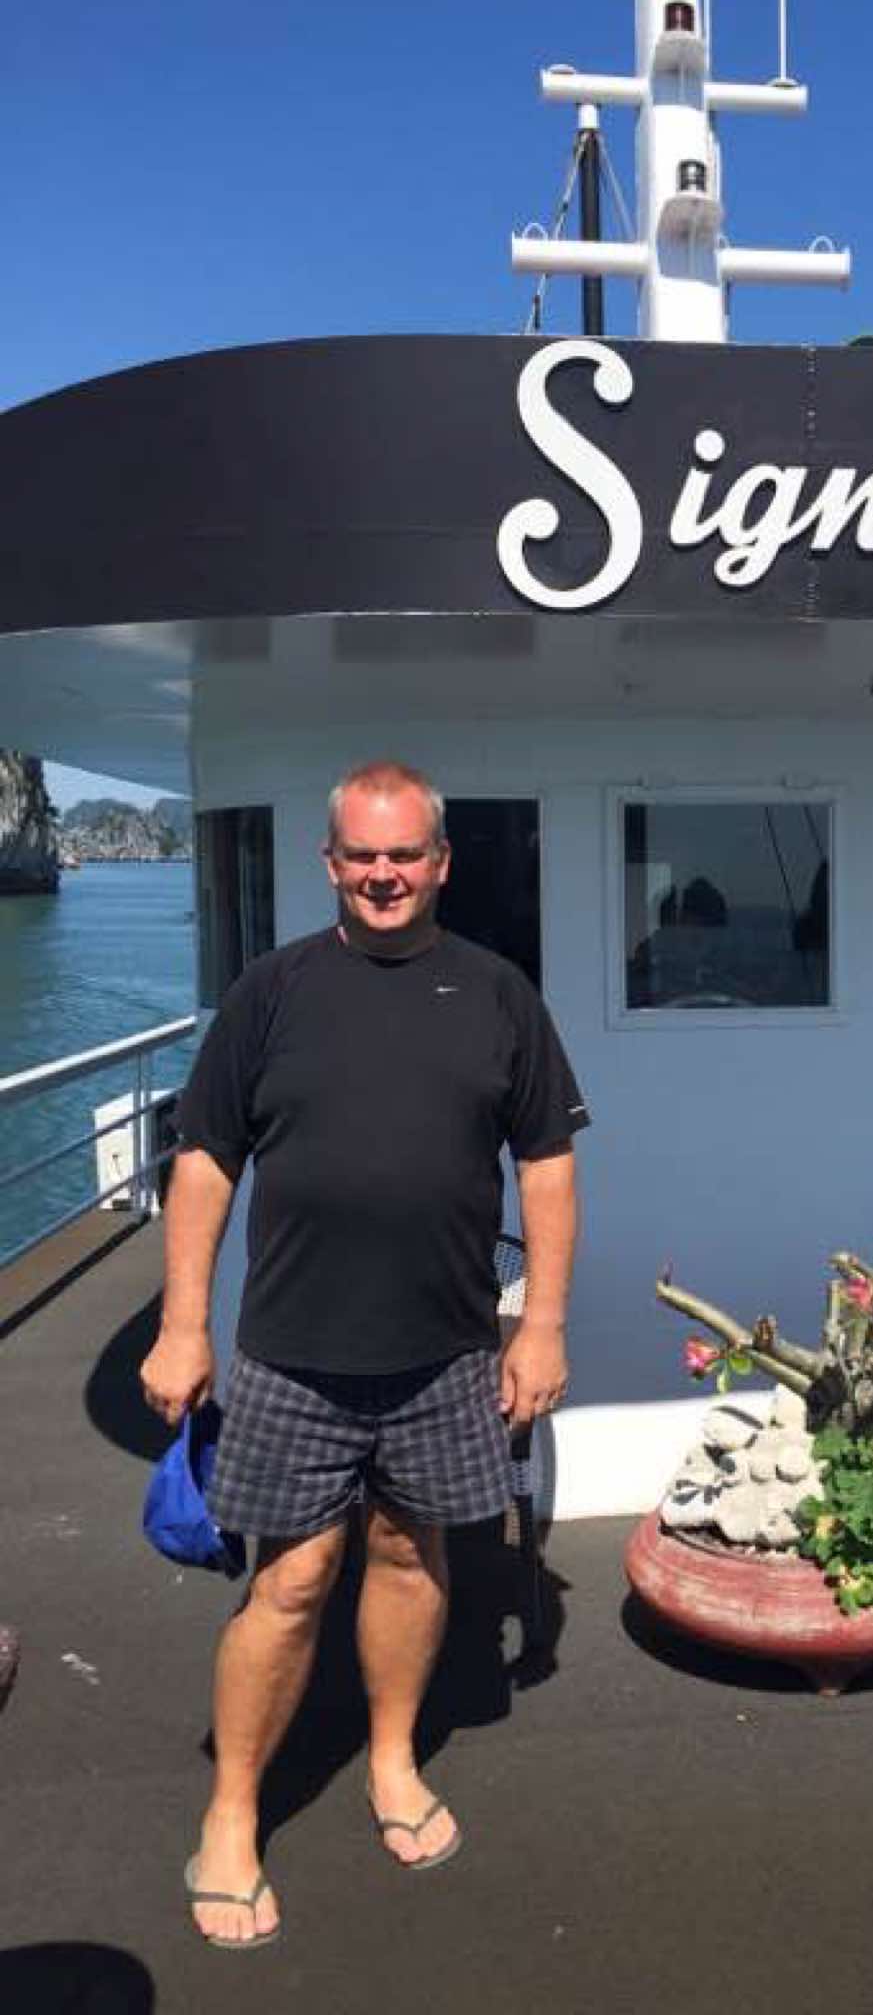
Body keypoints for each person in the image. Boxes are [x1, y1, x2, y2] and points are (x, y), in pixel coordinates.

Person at [139, 760, 586, 1950]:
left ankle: (392, 1757)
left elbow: (546, 1162)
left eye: (404, 854)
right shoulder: (271, 990)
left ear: (441, 861)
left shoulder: (497, 992)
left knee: (408, 1552)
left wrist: (541, 1322)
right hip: (294, 1351)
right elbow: (205, 1159)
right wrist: (182, 1322)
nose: (383, 874)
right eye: (362, 855)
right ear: (330, 862)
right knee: (288, 1582)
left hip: (445, 1351)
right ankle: (232, 1811)